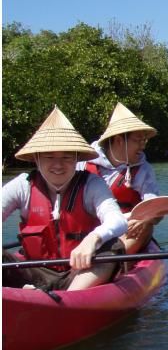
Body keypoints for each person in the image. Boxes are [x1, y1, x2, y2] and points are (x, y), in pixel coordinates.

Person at [2, 106, 127, 291]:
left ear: (77, 158)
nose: (58, 165)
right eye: (49, 157)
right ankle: (30, 296)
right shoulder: (23, 185)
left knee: (112, 246)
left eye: (67, 157)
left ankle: (68, 300)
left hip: (80, 272)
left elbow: (118, 221)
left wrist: (93, 238)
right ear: (37, 159)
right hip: (33, 272)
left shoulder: (92, 184)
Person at [78, 102, 159, 254]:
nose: (143, 146)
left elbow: (153, 205)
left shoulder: (143, 169)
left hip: (126, 231)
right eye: (138, 140)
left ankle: (115, 260)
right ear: (119, 140)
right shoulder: (83, 163)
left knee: (147, 224)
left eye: (144, 140)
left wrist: (146, 219)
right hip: (88, 229)